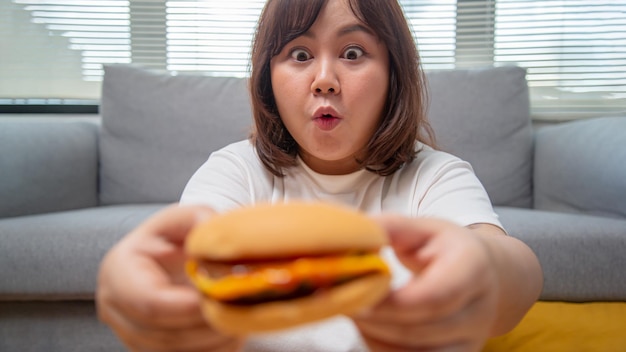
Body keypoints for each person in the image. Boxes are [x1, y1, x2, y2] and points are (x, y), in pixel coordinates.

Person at [96, 0, 543, 351]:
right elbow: (188, 257)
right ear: (268, 78)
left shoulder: (436, 175)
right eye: (300, 54)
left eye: (353, 53)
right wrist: (136, 275)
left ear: (393, 75)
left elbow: (513, 273)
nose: (324, 79)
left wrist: (484, 271)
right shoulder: (236, 170)